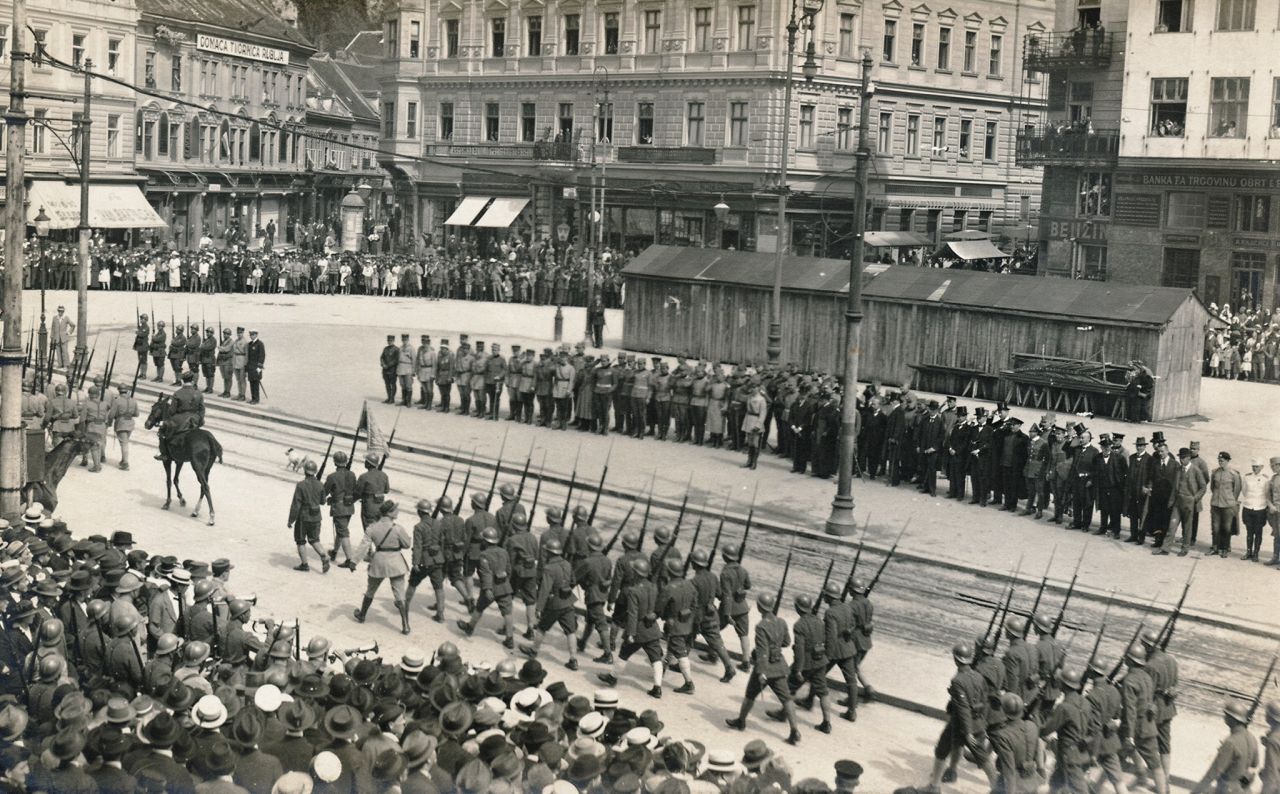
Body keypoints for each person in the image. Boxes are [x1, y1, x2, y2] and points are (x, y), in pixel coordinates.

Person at [724, 592, 801, 746]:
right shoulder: (781, 622)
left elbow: (763, 651)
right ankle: (794, 730)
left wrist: (762, 672)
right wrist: (776, 647)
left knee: (750, 695)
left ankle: (741, 721)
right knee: (786, 698)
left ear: (760, 607)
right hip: (779, 666)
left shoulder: (761, 626)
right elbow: (786, 642)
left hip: (765, 668)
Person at [352, 500, 414, 635]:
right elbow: (407, 544)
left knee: (371, 590)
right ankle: (405, 624)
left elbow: (364, 546)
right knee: (399, 594)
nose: (397, 511)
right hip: (396, 562)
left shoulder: (372, 528)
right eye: (395, 510)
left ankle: (362, 615)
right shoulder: (398, 528)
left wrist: (354, 561)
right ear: (390, 513)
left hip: (379, 562)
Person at [1189, 702, 1260, 794]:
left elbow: (1213, 772)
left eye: (1227, 715)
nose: (1224, 717)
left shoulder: (1231, 742)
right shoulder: (1251, 737)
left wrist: (1196, 791)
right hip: (1243, 789)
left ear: (1233, 719)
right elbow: (1255, 763)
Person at [1158, 447, 1208, 557]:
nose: (1181, 460)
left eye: (1183, 458)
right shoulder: (1179, 469)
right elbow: (1174, 488)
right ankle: (1165, 549)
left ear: (1189, 458)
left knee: (1187, 527)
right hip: (1178, 502)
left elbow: (1203, 487)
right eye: (1180, 458)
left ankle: (1185, 548)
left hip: (1189, 502)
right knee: (1172, 526)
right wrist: (1171, 501)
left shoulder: (1196, 470)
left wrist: (1195, 498)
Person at [288, 461, 330, 574]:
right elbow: (323, 501)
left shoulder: (301, 485)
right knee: (314, 539)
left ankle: (304, 564)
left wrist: (291, 520)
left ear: (305, 471)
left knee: (300, 541)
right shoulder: (320, 484)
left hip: (304, 517)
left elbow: (296, 505)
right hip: (316, 516)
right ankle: (324, 555)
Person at [323, 450, 358, 570]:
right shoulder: (352, 474)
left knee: (343, 533)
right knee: (340, 530)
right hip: (349, 507)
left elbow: (324, 492)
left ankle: (349, 559)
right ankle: (334, 552)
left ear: (335, 462)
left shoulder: (332, 477)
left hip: (339, 508)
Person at [158, 371, 205, 462]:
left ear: (183, 381)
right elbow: (202, 409)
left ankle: (164, 453)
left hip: (180, 420)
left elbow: (172, 411)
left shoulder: (178, 393)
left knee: (162, 430)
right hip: (195, 419)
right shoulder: (198, 393)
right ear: (192, 381)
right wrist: (200, 419)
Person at [1209, 451, 1243, 558]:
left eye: (1222, 461)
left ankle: (1224, 548)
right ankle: (1215, 547)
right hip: (1215, 504)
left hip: (1228, 505)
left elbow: (1237, 490)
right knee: (1215, 527)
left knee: (1226, 528)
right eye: (1219, 460)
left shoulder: (1234, 474)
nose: (1220, 462)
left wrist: (1231, 500)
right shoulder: (1215, 472)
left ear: (1228, 461)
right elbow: (1212, 487)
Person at [1242, 459, 1271, 562]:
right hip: (1248, 507)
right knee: (1249, 531)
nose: (1255, 468)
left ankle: (1256, 553)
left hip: (1260, 509)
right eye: (1253, 466)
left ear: (1262, 467)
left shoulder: (1266, 479)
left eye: (1257, 466)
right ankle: (1248, 552)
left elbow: (1267, 494)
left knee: (1258, 532)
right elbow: (1244, 491)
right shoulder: (1247, 477)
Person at [354, 452, 390, 530]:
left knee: (369, 532)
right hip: (381, 507)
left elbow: (357, 493)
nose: (365, 462)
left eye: (366, 461)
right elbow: (386, 490)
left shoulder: (364, 477)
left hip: (369, 507)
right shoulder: (384, 475)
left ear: (369, 464)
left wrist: (349, 501)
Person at [112, 384, 140, 471]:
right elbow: (137, 414)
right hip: (130, 423)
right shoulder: (133, 400)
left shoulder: (117, 400)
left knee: (124, 444)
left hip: (121, 423)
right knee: (125, 442)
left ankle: (125, 463)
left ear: (119, 390)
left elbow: (112, 414)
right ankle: (123, 460)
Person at [246, 330, 266, 404]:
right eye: (250, 335)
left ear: (256, 335)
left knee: (256, 383)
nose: (251, 336)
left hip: (256, 368)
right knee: (251, 383)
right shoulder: (250, 344)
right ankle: (253, 398)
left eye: (253, 335)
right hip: (250, 367)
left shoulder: (260, 344)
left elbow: (262, 356)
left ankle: (256, 399)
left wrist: (259, 367)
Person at [397, 334, 416, 408]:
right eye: (403, 339)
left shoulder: (411, 348)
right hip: (401, 368)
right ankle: (404, 400)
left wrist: (413, 370)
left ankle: (408, 402)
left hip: (408, 367)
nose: (404, 341)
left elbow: (414, 360)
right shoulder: (401, 348)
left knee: (408, 385)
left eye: (405, 340)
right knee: (402, 385)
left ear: (408, 340)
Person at [231, 327, 249, 401]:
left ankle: (243, 395)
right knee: (238, 379)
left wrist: (245, 364)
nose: (239, 334)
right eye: (238, 333)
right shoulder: (235, 341)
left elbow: (246, 354)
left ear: (243, 333)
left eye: (240, 333)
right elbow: (233, 351)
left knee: (242, 379)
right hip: (235, 361)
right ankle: (239, 393)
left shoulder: (245, 342)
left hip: (242, 361)